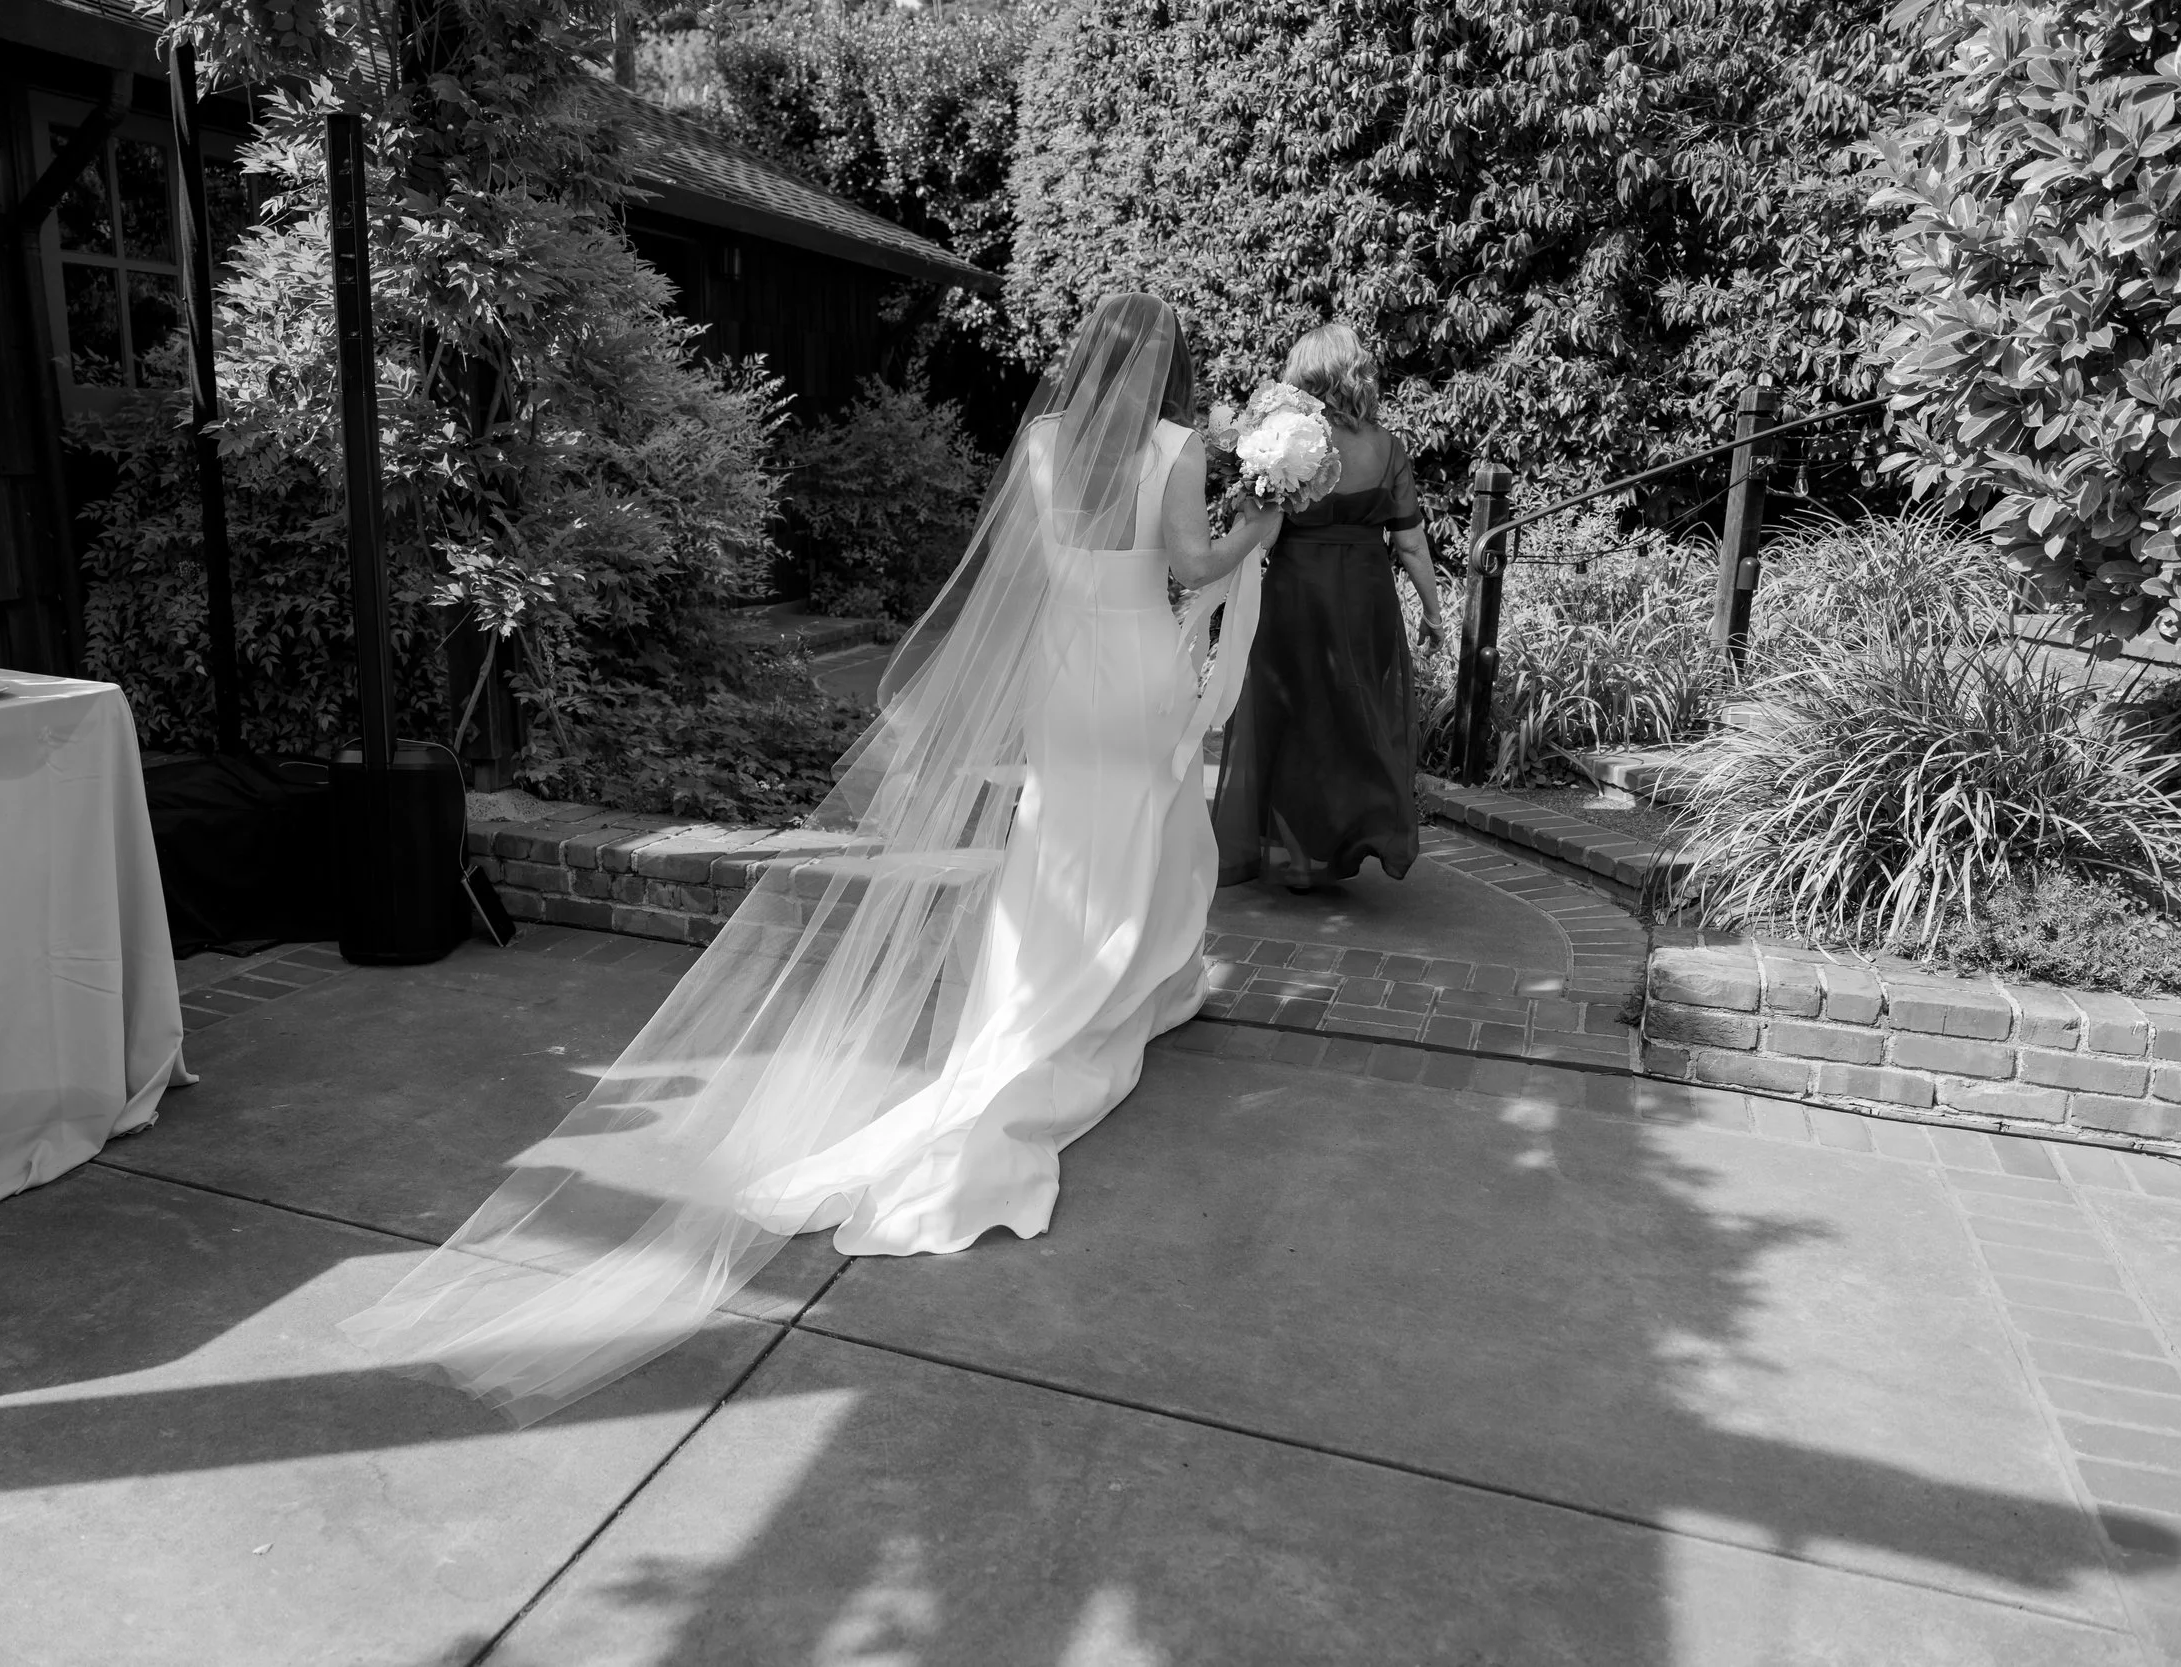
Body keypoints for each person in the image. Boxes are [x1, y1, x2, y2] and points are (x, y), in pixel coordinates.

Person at [341, 294, 1280, 1424]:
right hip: (1133, 668)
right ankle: (1105, 997)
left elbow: (1027, 577)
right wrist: (1262, 522)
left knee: (1063, 841)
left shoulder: (1037, 443)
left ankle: (1054, 996)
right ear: (1166, 367)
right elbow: (1189, 559)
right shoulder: (1176, 449)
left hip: (1065, 672)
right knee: (1143, 830)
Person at [1211, 323, 1447, 891]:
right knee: (1353, 715)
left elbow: (1262, 534)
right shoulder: (1387, 447)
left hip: (1296, 592)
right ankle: (1347, 834)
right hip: (1366, 596)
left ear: (1304, 374)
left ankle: (1298, 854)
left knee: (1291, 713)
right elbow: (1411, 542)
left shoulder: (1286, 440)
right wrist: (1434, 614)